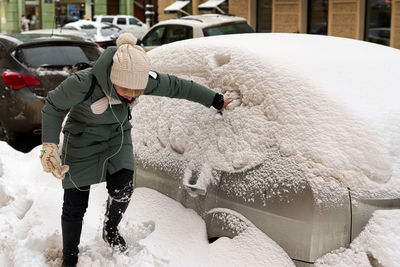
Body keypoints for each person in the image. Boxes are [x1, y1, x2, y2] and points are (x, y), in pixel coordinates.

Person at [40, 32, 231, 267]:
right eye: (125, 90)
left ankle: (110, 230)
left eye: (136, 92)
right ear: (113, 77)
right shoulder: (83, 83)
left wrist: (215, 99)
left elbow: (176, 86)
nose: (131, 96)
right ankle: (70, 255)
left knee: (123, 188)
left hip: (117, 138)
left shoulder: (138, 78)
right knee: (75, 203)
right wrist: (49, 145)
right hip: (81, 142)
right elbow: (52, 106)